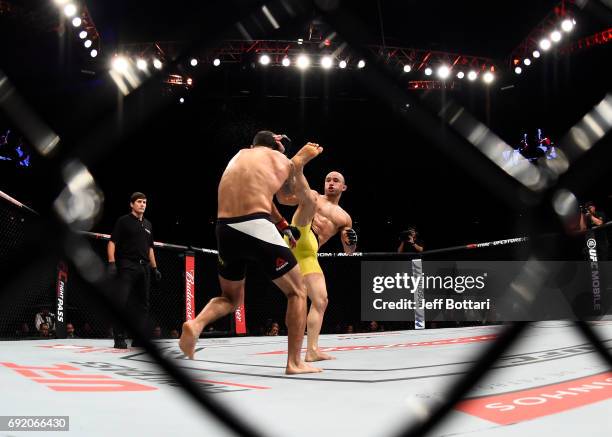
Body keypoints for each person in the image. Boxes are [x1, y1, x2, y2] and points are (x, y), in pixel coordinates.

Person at [179, 130, 323, 374]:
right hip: (255, 224)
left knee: (230, 298)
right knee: (298, 291)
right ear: (276, 144)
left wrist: (283, 226)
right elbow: (289, 198)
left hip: (224, 230)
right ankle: (294, 363)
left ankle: (195, 324)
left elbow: (265, 198)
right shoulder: (277, 158)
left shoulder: (238, 158)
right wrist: (300, 161)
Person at [276, 170, 357, 361]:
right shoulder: (313, 197)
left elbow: (349, 251)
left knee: (320, 300)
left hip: (309, 253)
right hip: (298, 235)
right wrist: (280, 181)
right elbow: (283, 199)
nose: (330, 183)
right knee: (309, 196)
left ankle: (312, 350)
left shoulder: (344, 218)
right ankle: (297, 166)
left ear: (343, 187)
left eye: (336, 180)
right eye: (328, 179)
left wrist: (352, 241)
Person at [107, 192, 162, 349]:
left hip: (144, 267)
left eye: (144, 202)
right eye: (139, 202)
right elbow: (112, 243)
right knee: (122, 301)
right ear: (132, 204)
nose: (142, 204)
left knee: (143, 305)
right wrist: (112, 263)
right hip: (127, 265)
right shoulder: (123, 221)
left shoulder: (148, 224)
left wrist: (155, 268)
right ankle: (119, 337)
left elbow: (150, 248)